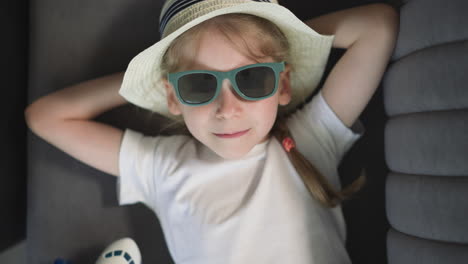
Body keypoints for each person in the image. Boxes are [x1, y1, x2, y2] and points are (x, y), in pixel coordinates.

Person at [25, 0, 399, 263]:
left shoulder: (311, 138)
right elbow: (44, 117)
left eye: (252, 78)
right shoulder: (162, 167)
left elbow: (379, 27)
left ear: (282, 85)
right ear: (173, 96)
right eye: (199, 85)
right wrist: (156, 79)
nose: (227, 109)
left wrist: (281, 45)